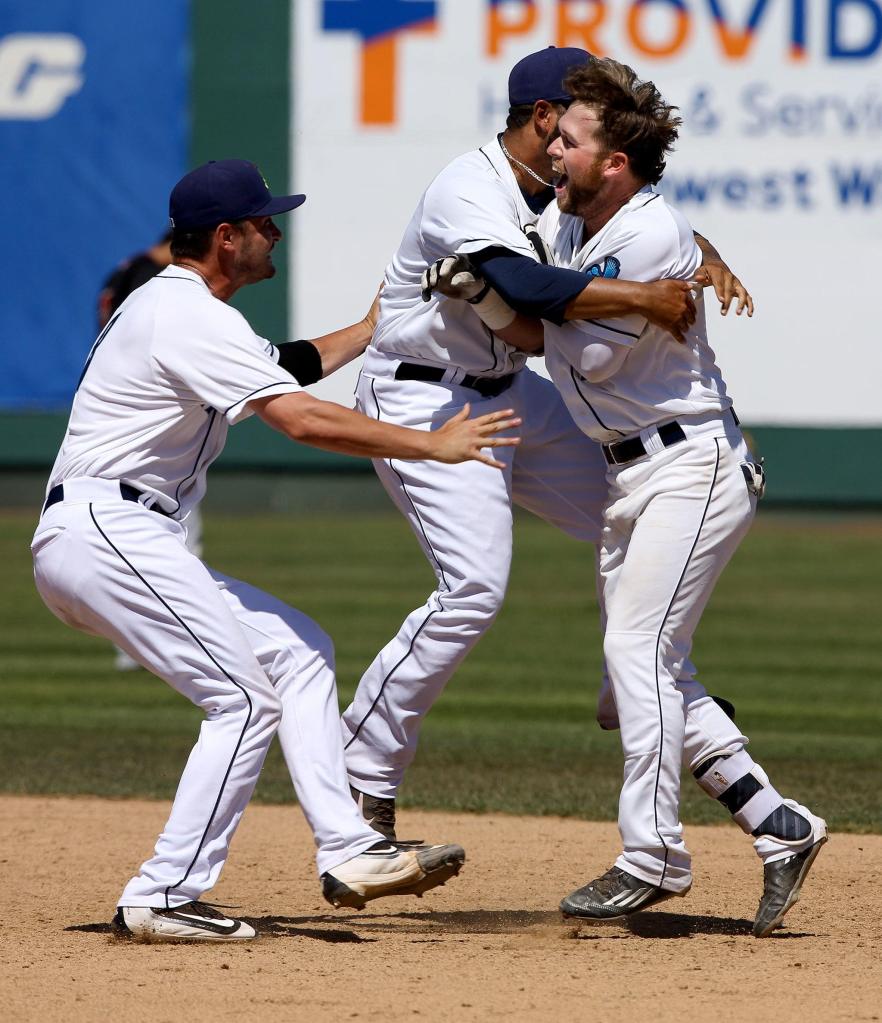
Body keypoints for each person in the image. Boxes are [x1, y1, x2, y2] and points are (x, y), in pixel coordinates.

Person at [30, 159, 521, 943]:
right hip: (104, 531)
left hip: (115, 534)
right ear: (225, 238)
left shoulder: (182, 308)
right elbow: (300, 418)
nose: (275, 232)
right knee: (243, 696)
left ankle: (351, 847)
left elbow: (283, 366)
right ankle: (162, 892)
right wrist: (430, 445)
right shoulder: (185, 312)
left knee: (298, 651)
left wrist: (373, 325)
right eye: (262, 223)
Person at [440, 59, 827, 937]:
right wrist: (501, 291)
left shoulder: (644, 236)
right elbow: (555, 315)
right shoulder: (587, 224)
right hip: (632, 471)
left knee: (635, 646)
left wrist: (497, 300)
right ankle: (780, 825)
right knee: (645, 676)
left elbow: (576, 347)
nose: (556, 150)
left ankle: (652, 856)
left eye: (571, 141)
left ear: (615, 162)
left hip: (690, 467)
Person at [341, 46, 751, 843]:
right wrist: (641, 294)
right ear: (544, 120)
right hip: (422, 394)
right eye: (572, 122)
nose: (576, 140)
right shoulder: (469, 188)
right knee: (474, 589)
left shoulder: (560, 194)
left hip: (511, 393)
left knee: (635, 503)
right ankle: (363, 766)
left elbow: (635, 217)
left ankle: (631, 684)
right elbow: (526, 291)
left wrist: (704, 253)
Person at [96, 229, 204, 671]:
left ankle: (142, 644)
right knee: (178, 535)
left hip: (116, 410)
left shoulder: (125, 269)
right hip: (151, 429)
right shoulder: (157, 280)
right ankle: (155, 644)